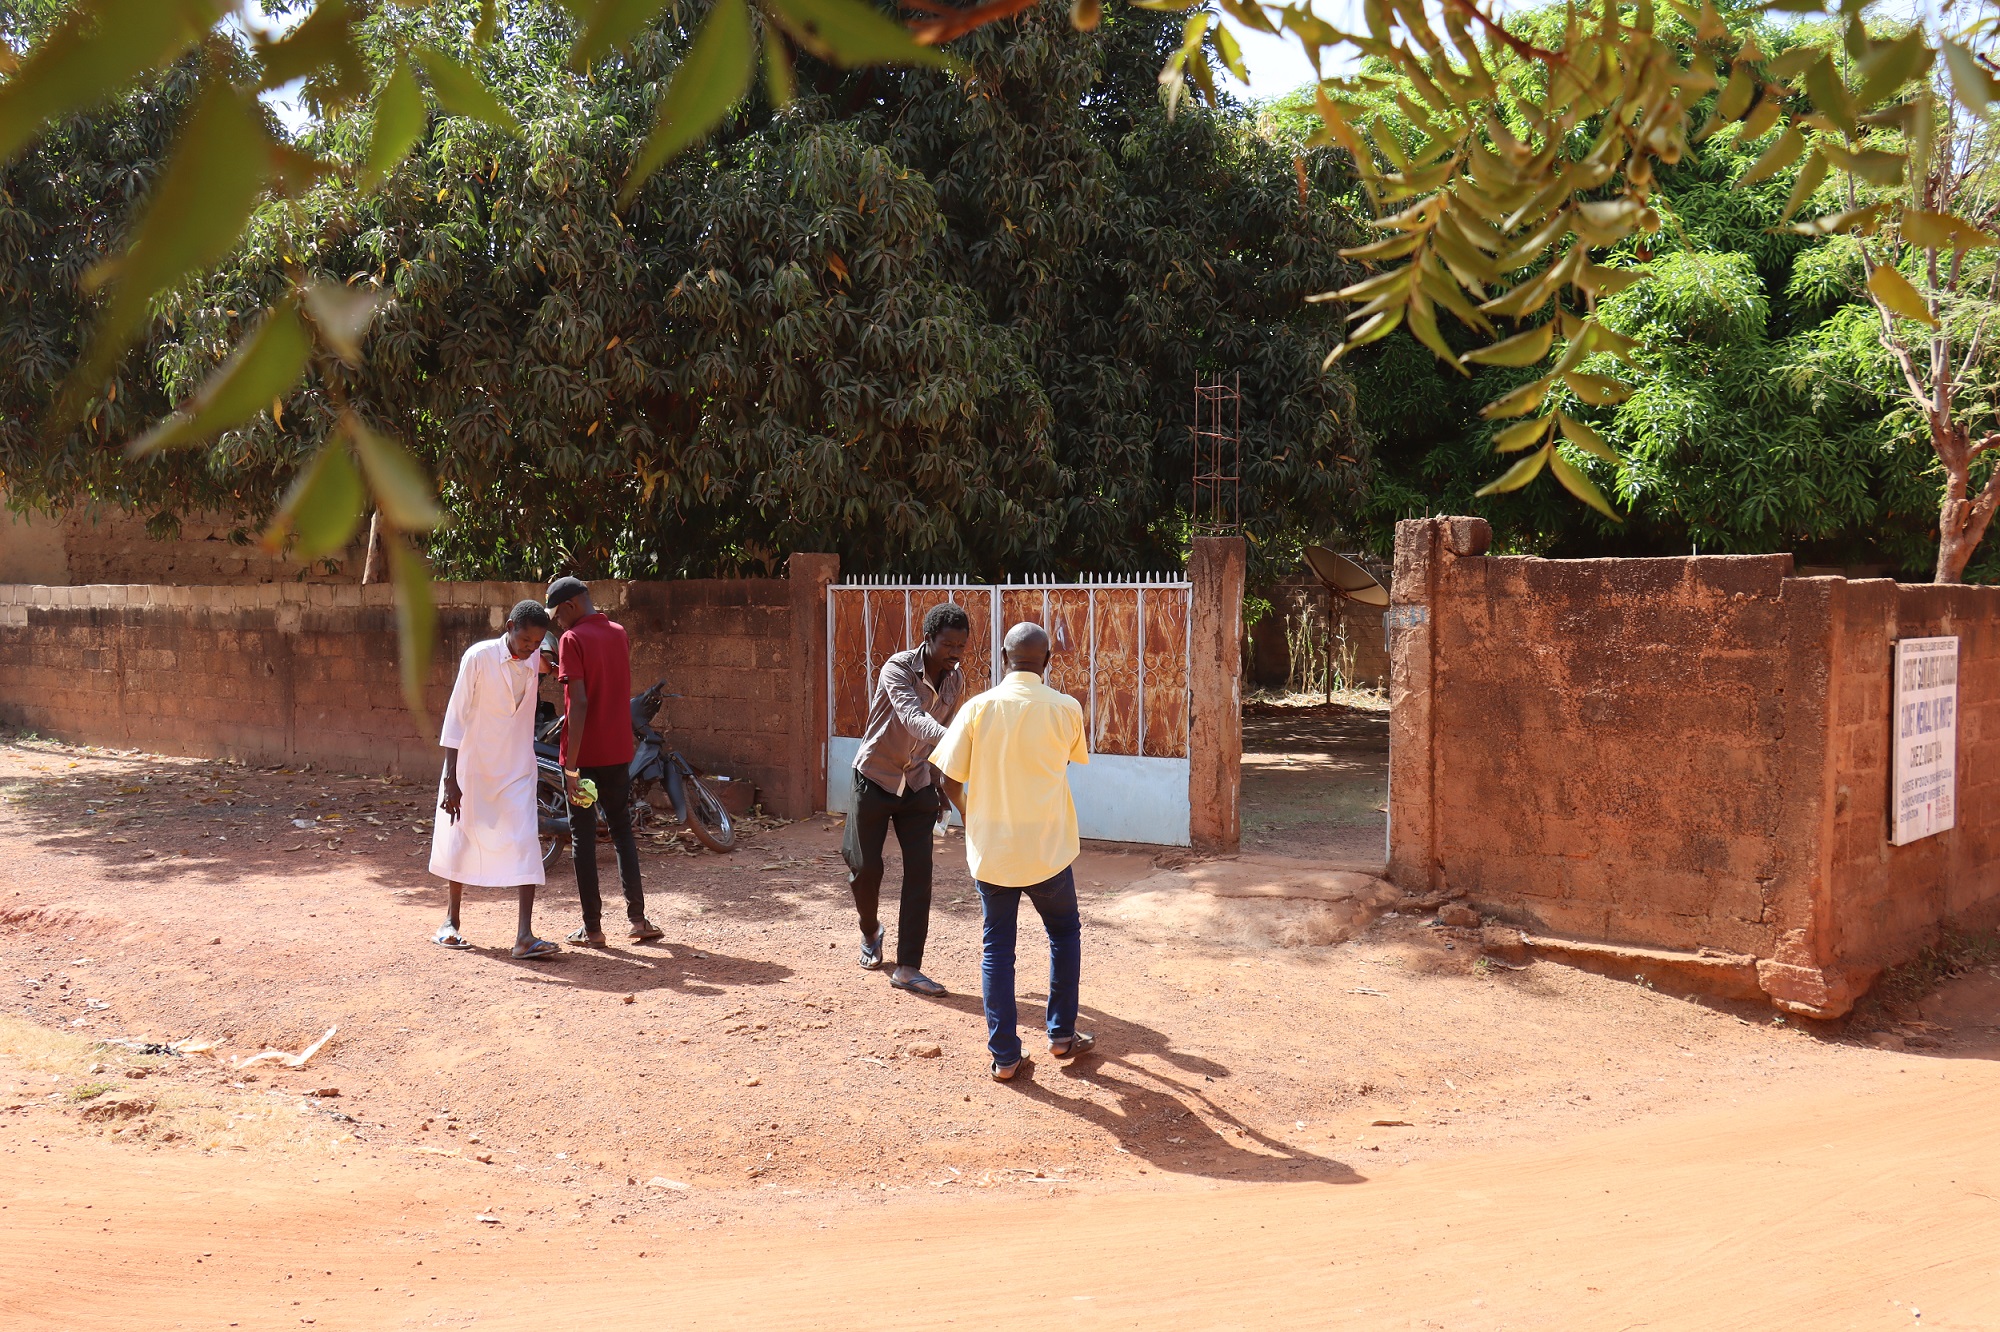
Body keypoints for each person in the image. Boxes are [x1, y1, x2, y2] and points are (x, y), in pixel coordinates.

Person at [933, 621, 1095, 1081]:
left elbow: (947, 778)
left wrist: (971, 814)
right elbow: (1065, 761)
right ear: (1047, 662)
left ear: (1003, 658)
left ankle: (1005, 1057)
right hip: (1047, 849)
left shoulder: (977, 708)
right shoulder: (1066, 708)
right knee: (1063, 934)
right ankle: (1061, 1036)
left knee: (997, 948)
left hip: (994, 851)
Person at [844, 603, 971, 998]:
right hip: (874, 777)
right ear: (928, 639)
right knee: (865, 868)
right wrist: (962, 742)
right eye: (948, 645)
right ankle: (870, 930)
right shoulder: (898, 668)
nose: (954, 653)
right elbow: (913, 718)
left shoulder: (955, 680)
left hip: (917, 783)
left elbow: (939, 736)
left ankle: (908, 967)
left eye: (961, 646)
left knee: (920, 872)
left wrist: (939, 784)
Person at [429, 600, 562, 960]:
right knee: (461, 836)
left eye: (536, 643)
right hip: (472, 766)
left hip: (516, 767)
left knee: (525, 840)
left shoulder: (535, 658)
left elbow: (550, 652)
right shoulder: (478, 657)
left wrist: (547, 654)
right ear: (509, 627)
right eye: (525, 640)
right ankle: (450, 922)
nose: (530, 648)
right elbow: (455, 716)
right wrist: (451, 778)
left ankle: (524, 936)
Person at [545, 576, 663, 946]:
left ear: (570, 605)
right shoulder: (618, 633)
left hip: (584, 755)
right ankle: (638, 920)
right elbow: (606, 684)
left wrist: (571, 767)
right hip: (617, 751)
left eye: (558, 614)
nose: (558, 622)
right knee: (622, 831)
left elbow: (579, 703)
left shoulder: (571, 639)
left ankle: (592, 928)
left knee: (582, 837)